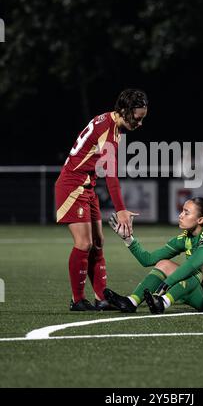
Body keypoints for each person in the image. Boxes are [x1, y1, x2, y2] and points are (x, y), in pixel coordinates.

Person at [55, 88, 148, 311]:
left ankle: (101, 297)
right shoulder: (108, 130)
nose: (140, 123)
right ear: (125, 111)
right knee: (84, 243)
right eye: (137, 118)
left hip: (87, 185)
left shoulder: (110, 122)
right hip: (72, 185)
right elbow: (112, 175)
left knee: (97, 243)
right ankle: (77, 300)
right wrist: (122, 209)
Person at [104, 197, 203, 314]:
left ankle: (163, 302)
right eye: (182, 211)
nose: (180, 215)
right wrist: (128, 239)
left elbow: (193, 265)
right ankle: (131, 302)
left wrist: (167, 284)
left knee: (202, 265)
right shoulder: (186, 237)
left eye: (186, 213)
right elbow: (147, 259)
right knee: (164, 264)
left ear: (200, 220)